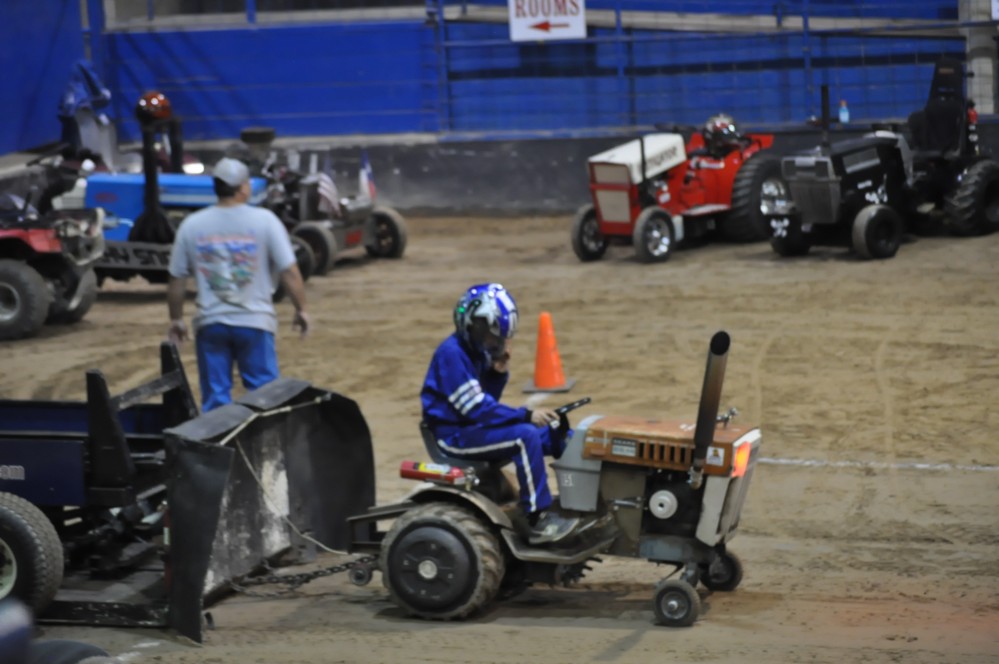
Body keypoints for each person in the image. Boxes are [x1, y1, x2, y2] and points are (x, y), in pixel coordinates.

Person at [420, 283, 579, 545]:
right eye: (493, 336)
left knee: (556, 433)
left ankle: (581, 501)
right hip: (454, 436)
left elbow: (486, 402)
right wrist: (525, 415)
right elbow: (476, 408)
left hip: (471, 428)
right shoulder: (452, 354)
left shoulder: (475, 351)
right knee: (524, 436)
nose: (497, 343)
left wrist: (498, 371)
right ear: (475, 325)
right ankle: (536, 518)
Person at [166, 157, 309, 411]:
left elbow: (177, 278)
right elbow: (289, 270)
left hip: (211, 325)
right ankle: (264, 447)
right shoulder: (265, 221)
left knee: (215, 400)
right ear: (243, 187)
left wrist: (176, 319)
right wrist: (301, 309)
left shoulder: (192, 225)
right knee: (265, 396)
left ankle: (219, 446)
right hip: (254, 322)